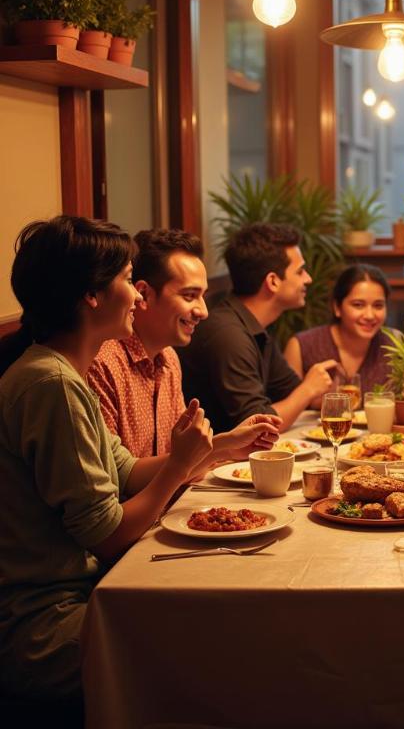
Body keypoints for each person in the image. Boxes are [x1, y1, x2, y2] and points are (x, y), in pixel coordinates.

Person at [0, 217, 220, 702]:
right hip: (46, 622)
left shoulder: (63, 374)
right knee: (220, 642)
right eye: (126, 280)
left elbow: (124, 471)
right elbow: (110, 535)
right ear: (91, 296)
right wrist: (180, 467)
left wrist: (195, 452)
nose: (139, 297)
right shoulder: (50, 384)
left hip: (88, 591)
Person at [87, 229, 279, 459]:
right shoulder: (102, 365)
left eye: (203, 296)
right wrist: (223, 448)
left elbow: (177, 462)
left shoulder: (169, 357)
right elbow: (120, 480)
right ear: (144, 295)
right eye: (189, 296)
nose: (204, 311)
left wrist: (228, 447)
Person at [178, 223, 339, 431]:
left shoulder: (255, 326)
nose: (308, 279)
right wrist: (308, 390)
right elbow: (257, 425)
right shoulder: (228, 334)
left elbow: (289, 392)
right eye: (300, 272)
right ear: (272, 281)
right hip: (218, 462)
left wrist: (316, 390)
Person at [284, 264, 392, 395]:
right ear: (337, 307)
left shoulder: (394, 347)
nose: (369, 315)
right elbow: (285, 408)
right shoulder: (301, 346)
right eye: (358, 305)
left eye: (378, 305)